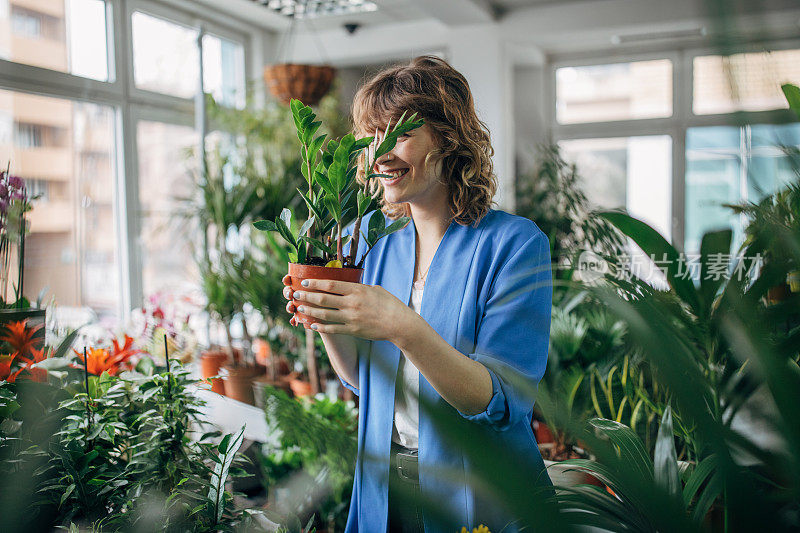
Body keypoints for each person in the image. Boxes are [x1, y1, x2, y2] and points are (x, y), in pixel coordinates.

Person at [281, 55, 552, 533]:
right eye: (372, 137)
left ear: (448, 139)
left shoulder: (515, 244)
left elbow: (500, 403)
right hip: (386, 485)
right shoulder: (373, 240)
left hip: (481, 490)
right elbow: (365, 380)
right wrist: (323, 316)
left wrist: (402, 326)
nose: (379, 153)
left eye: (399, 134)